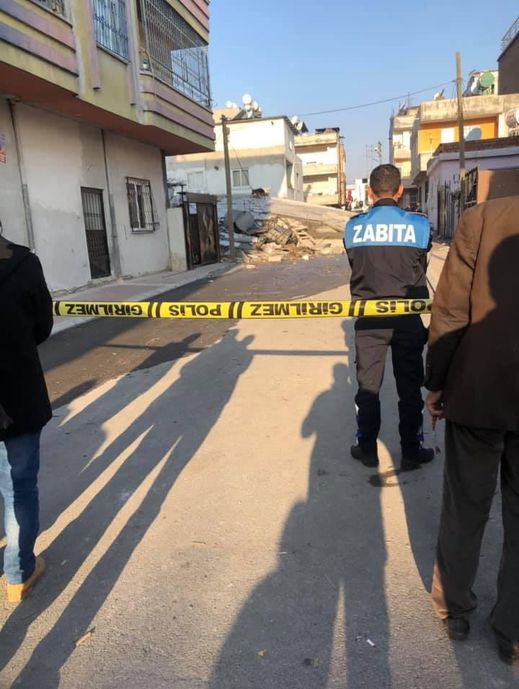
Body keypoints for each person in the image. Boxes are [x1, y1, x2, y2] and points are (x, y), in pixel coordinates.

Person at [425, 197, 519, 664]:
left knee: (465, 506)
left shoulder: (483, 218)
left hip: (478, 390)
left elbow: (450, 311)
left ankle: (454, 606)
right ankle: (513, 631)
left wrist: (436, 383)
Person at [344, 164, 434, 470]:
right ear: (399, 191)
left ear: (369, 192)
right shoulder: (419, 225)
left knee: (368, 387)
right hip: (408, 315)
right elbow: (422, 261)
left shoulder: (353, 227)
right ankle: (411, 451)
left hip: (369, 317)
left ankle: (367, 449)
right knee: (410, 388)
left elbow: (354, 264)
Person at [0, 228, 53, 603]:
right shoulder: (23, 264)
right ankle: (18, 574)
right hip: (17, 395)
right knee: (18, 487)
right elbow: (42, 326)